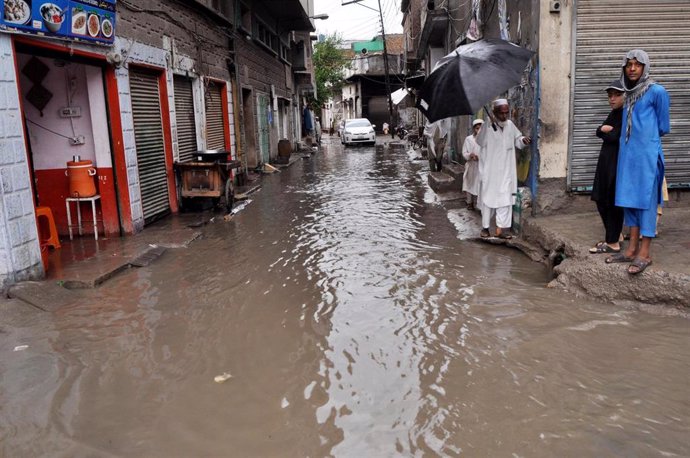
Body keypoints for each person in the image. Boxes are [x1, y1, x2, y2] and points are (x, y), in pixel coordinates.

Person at [605, 49, 670, 275]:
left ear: (645, 67)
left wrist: (645, 142)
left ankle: (645, 253)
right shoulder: (628, 93)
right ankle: (631, 249)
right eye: (629, 64)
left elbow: (663, 127)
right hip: (628, 155)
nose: (632, 68)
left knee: (647, 202)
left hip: (647, 156)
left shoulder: (656, 91)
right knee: (629, 200)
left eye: (637, 64)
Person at [476, 99, 531, 239]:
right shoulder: (487, 127)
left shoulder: (510, 125)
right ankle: (485, 228)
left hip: (507, 170)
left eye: (507, 113)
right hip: (491, 171)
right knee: (488, 200)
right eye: (502, 113)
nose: (505, 116)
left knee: (505, 200)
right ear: (494, 112)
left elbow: (517, 139)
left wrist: (523, 140)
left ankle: (501, 230)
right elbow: (480, 142)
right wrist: (487, 124)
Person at [589, 80, 625, 254]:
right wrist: (603, 129)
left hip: (616, 164)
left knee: (612, 201)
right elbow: (598, 131)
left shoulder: (626, 114)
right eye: (610, 96)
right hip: (605, 162)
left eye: (617, 95)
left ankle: (612, 242)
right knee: (600, 198)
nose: (612, 99)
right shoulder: (614, 113)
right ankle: (616, 235)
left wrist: (605, 131)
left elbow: (614, 137)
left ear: (626, 96)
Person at [462, 119, 483, 210]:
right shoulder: (468, 139)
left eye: (480, 128)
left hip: (481, 166)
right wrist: (470, 155)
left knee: (479, 185)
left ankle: (479, 205)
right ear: (474, 129)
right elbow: (464, 152)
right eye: (477, 128)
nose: (478, 130)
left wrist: (480, 158)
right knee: (469, 184)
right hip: (471, 166)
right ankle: (469, 202)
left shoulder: (485, 140)